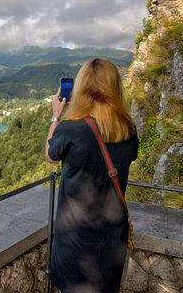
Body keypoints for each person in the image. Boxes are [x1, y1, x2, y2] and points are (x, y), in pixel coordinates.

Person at [45, 58, 139, 293]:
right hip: (112, 242)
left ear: (80, 88)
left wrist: (57, 116)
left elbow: (50, 155)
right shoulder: (127, 130)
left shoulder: (71, 129)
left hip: (75, 243)